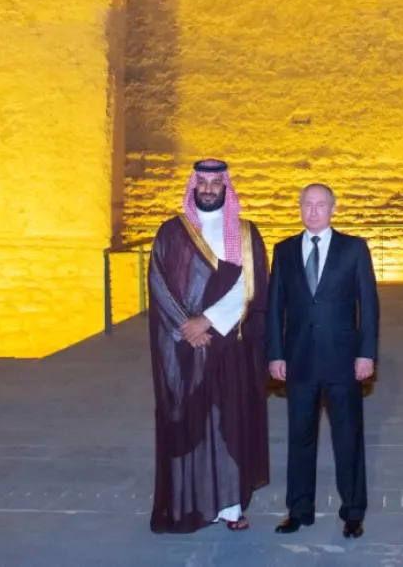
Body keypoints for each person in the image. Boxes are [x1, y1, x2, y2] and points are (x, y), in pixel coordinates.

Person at [147, 158, 270, 533]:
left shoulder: (247, 234)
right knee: (189, 424)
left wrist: (209, 322)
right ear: (193, 186)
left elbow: (251, 285)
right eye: (202, 182)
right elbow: (159, 284)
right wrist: (189, 328)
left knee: (228, 421)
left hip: (229, 343)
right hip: (183, 347)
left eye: (216, 183)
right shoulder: (171, 233)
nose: (209, 189)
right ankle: (190, 504)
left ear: (226, 188)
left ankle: (231, 507)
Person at [266, 183, 379, 539]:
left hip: (344, 360)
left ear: (333, 208)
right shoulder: (283, 251)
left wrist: (366, 353)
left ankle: (353, 512)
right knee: (300, 438)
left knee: (348, 438)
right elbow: (274, 308)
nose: (313, 211)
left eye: (320, 205)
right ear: (299, 208)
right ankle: (299, 511)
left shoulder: (354, 249)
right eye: (307, 205)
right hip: (298, 360)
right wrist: (275, 353)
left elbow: (369, 305)